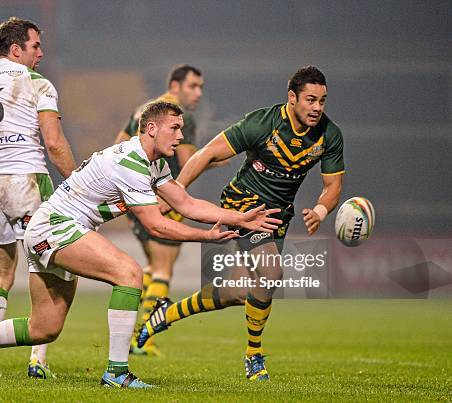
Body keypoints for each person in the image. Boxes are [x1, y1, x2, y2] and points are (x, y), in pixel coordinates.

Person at [0, 101, 282, 387]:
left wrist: (239, 218)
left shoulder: (153, 163)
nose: (180, 136)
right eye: (175, 129)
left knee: (43, 328)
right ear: (151, 128)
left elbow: (186, 204)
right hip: (56, 227)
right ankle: (116, 372)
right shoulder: (131, 162)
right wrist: (205, 236)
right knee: (129, 273)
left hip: (49, 229)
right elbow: (156, 223)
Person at [137, 66, 345, 381]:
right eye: (310, 100)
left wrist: (320, 210)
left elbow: (333, 186)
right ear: (292, 97)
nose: (317, 108)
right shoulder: (261, 124)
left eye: (322, 101)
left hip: (278, 214)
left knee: (238, 292)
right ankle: (254, 356)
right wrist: (176, 192)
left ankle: (164, 313)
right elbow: (205, 154)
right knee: (272, 271)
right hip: (244, 203)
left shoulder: (329, 135)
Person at [0, 17, 76, 379]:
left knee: (1, 273)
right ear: (17, 49)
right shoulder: (37, 83)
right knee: (52, 268)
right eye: (36, 45)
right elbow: (53, 143)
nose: (41, 52)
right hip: (28, 180)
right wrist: (77, 181)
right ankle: (38, 359)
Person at [114, 65, 209, 355]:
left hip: (134, 194)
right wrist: (212, 158)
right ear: (175, 85)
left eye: (200, 87)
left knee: (152, 268)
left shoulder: (144, 110)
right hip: (163, 197)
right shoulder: (179, 117)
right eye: (193, 86)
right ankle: (144, 338)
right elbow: (188, 159)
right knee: (164, 268)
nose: (198, 93)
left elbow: (118, 145)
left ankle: (132, 330)